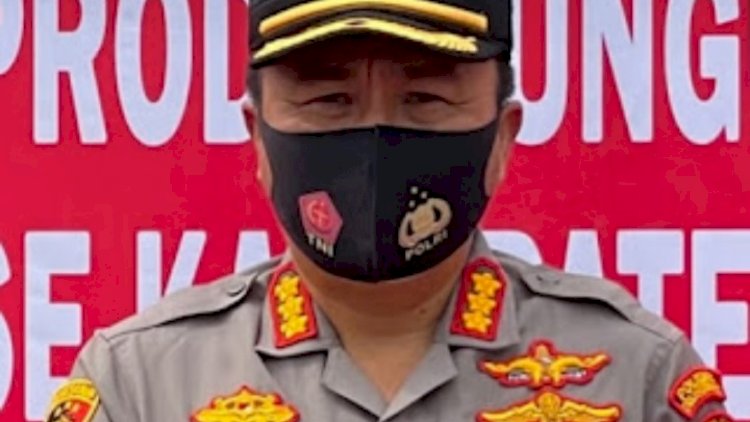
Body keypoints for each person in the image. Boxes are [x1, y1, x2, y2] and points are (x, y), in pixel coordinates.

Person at [45, 0, 734, 421]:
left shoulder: (635, 371)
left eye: (425, 100)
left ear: (501, 138)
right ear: (259, 139)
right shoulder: (142, 383)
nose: (373, 136)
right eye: (329, 101)